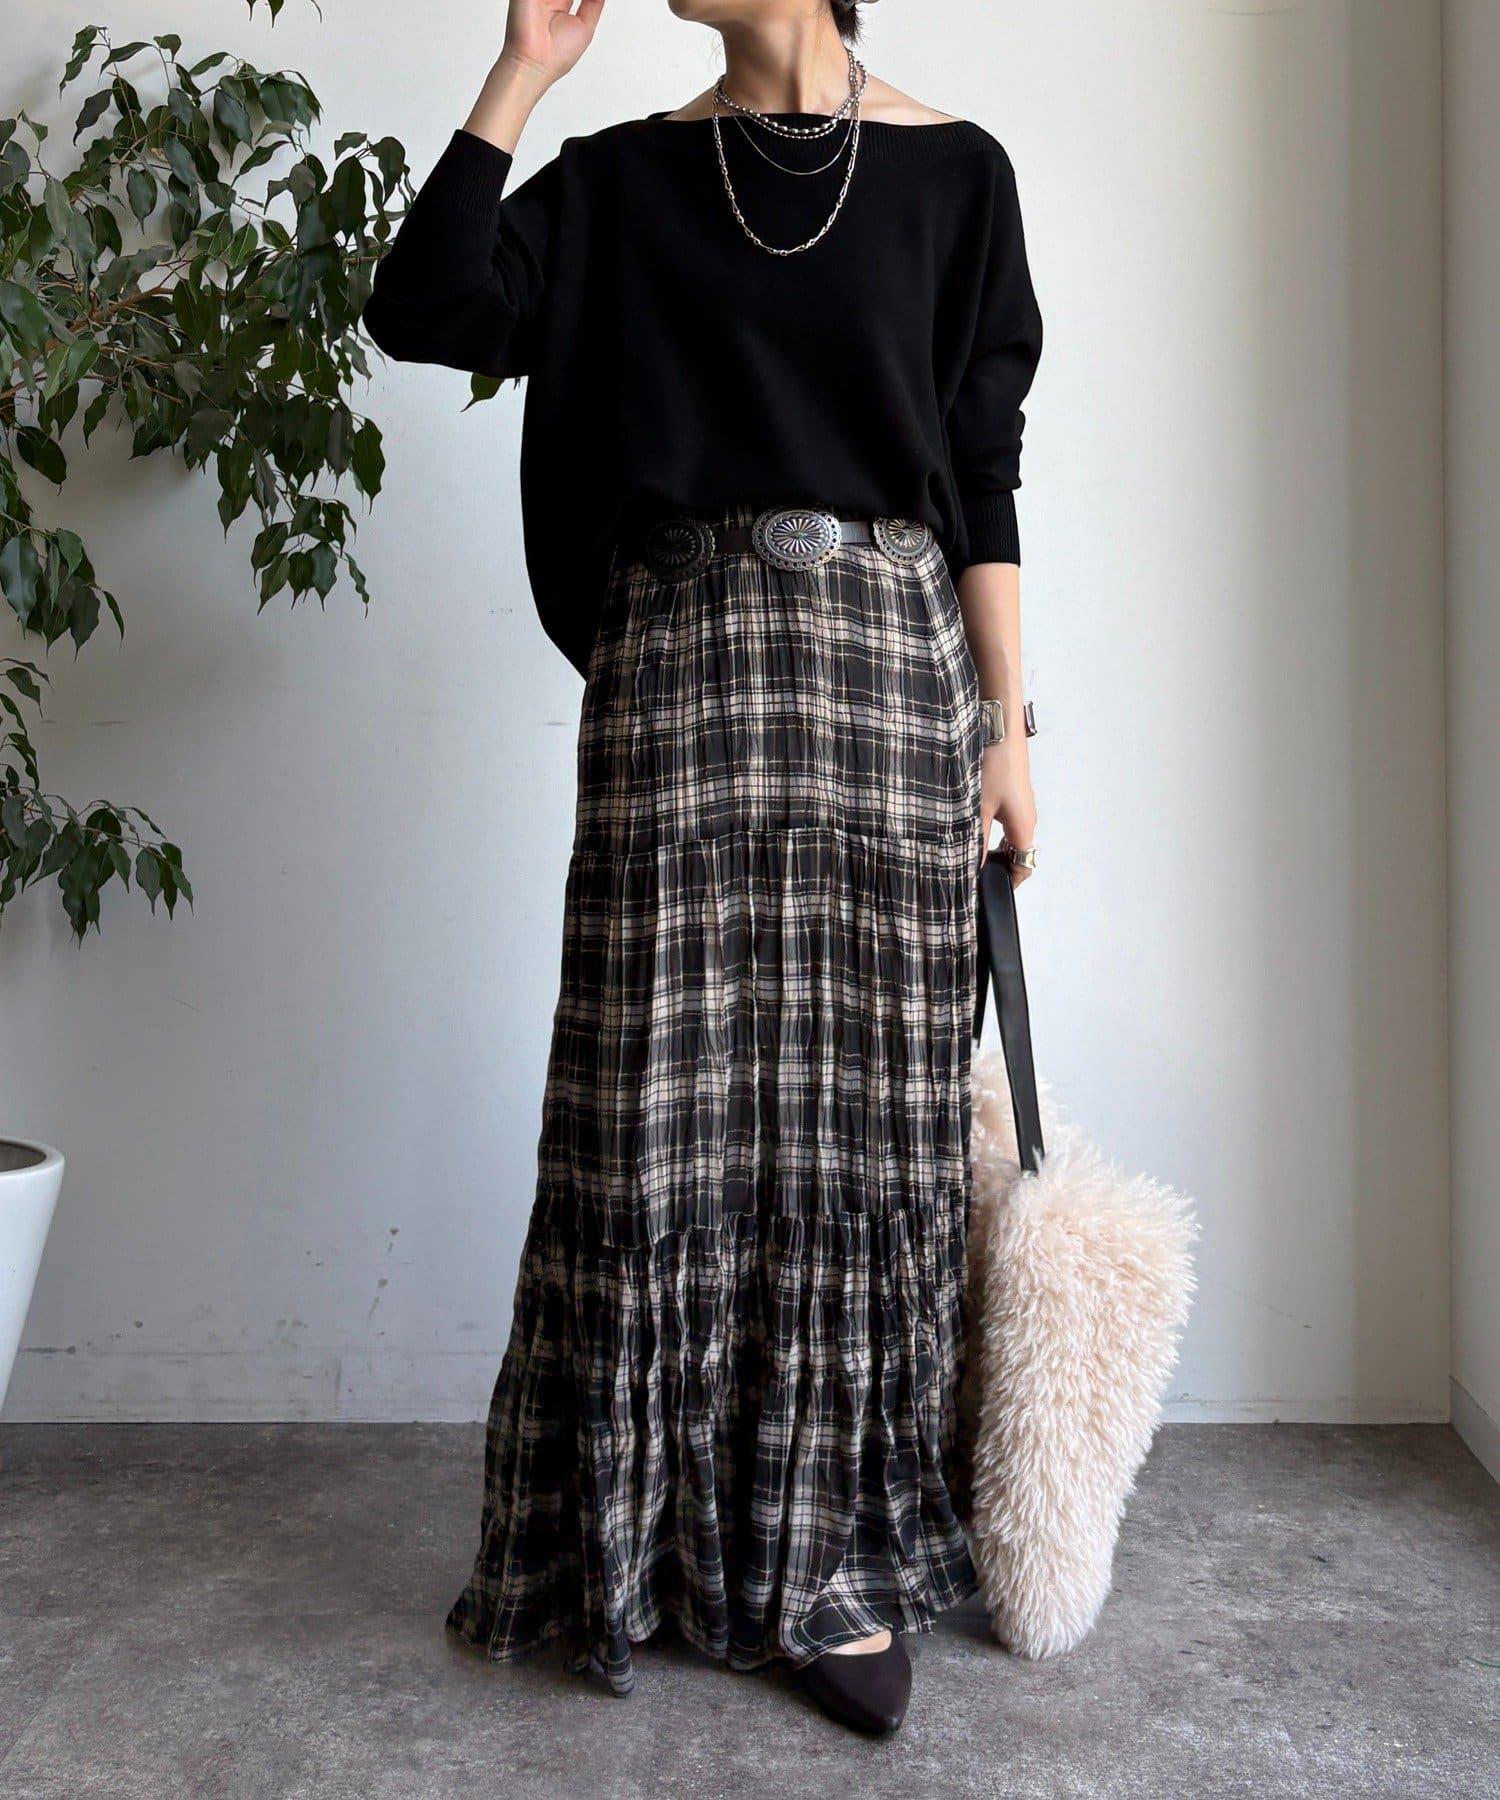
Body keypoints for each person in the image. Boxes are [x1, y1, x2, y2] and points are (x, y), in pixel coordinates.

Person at [362, 0, 1042, 1737]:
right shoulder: (618, 183)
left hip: (891, 680)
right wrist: (524, 73)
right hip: (681, 669)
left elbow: (981, 469)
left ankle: (827, 1560)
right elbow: (425, 307)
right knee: (654, 1111)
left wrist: (1011, 730)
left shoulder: (959, 178)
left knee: (859, 1121)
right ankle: (634, 1533)